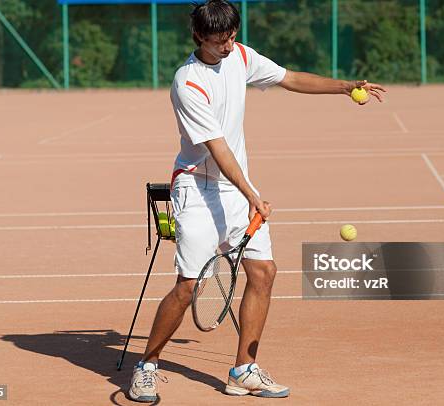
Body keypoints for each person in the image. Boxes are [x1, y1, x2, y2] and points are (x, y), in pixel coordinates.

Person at [128, 0, 386, 402]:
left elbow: (290, 78)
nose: (228, 47)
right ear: (199, 36)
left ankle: (243, 371)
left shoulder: (241, 55)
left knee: (263, 272)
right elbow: (217, 148)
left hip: (236, 188)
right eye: (219, 42)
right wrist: (253, 194)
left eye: (231, 37)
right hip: (197, 189)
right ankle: (147, 365)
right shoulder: (187, 81)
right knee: (187, 286)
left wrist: (345, 86)